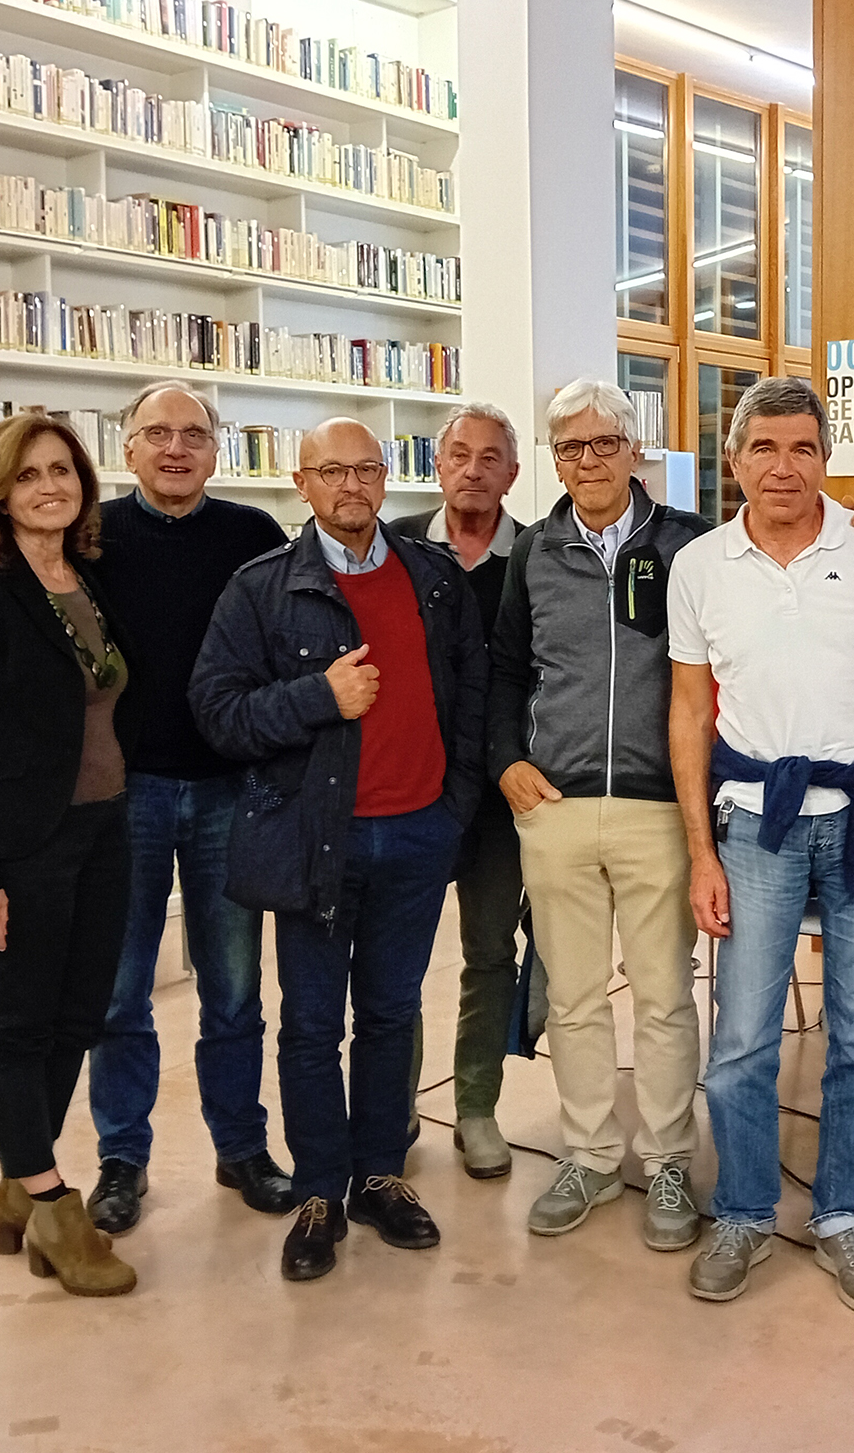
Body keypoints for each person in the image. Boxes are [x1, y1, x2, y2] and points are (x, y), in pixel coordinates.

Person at [189, 418, 488, 1284]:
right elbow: (219, 713)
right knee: (314, 1024)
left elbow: (469, 699)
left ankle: (381, 1177)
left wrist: (452, 808)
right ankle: (321, 1188)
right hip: (317, 840)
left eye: (365, 468)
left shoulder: (435, 579)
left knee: (392, 1015)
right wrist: (317, 697)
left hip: (419, 832)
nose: (351, 485)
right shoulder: (261, 589)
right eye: (332, 471)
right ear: (301, 482)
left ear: (387, 477)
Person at [668, 376, 854, 1311]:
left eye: (802, 448)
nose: (784, 467)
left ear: (827, 458)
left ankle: (845, 1216)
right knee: (740, 1036)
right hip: (754, 823)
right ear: (733, 461)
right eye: (764, 449)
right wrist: (701, 850)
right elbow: (691, 711)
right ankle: (741, 1209)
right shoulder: (702, 567)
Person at [487, 379, 711, 1252]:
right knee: (573, 998)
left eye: (602, 443)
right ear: (555, 459)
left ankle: (665, 1163)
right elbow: (506, 668)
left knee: (664, 998)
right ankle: (586, 1152)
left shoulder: (689, 545)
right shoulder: (534, 552)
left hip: (660, 806)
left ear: (633, 450)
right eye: (569, 448)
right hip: (559, 807)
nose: (587, 461)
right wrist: (506, 761)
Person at [0, 413, 139, 1298]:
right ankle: (53, 1205)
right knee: (17, 1026)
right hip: (24, 843)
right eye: (27, 475)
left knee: (78, 1017)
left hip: (105, 829)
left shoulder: (85, 576)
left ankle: (19, 1182)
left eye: (62, 470)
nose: (49, 486)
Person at [83, 381, 291, 1235]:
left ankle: (240, 1147)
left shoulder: (252, 537)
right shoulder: (88, 535)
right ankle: (120, 1161)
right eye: (157, 433)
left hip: (227, 791)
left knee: (234, 988)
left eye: (194, 434)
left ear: (218, 448)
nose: (176, 448)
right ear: (126, 445)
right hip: (123, 794)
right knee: (119, 991)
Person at [387, 402, 536, 1180]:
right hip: (412, 791)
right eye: (458, 454)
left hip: (499, 797)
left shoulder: (540, 554)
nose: (473, 469)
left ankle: (476, 1107)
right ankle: (393, 1107)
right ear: (436, 464)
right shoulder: (396, 547)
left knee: (488, 955)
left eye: (490, 457)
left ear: (513, 472)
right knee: (397, 960)